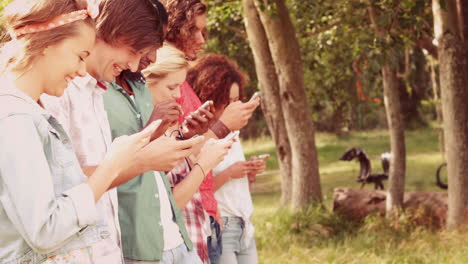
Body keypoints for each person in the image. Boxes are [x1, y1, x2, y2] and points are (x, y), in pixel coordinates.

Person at [41, 0, 204, 263]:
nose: (134, 65)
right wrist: (141, 161)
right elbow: (56, 187)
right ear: (112, 32)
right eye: (134, 51)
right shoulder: (57, 89)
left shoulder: (97, 90)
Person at [0, 0, 158, 263]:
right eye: (81, 56)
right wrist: (112, 166)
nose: (82, 70)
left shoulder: (28, 113)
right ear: (48, 43)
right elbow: (45, 230)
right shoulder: (15, 118)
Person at [162, 1, 260, 262]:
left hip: (205, 220)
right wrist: (222, 126)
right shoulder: (167, 85)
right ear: (171, 29)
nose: (201, 39)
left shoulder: (184, 86)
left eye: (203, 31)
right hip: (186, 227)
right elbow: (176, 158)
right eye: (192, 30)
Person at [142, 44, 227, 263]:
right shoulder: (140, 132)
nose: (179, 95)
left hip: (190, 240)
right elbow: (171, 203)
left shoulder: (168, 124)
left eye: (180, 86)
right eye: (171, 87)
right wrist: (204, 165)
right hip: (168, 248)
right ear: (146, 81)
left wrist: (186, 135)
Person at [188, 54, 266, 264]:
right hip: (223, 224)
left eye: (236, 99)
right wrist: (229, 174)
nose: (233, 106)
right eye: (227, 101)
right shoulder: (200, 138)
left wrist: (248, 172)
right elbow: (195, 189)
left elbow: (238, 187)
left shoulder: (234, 133)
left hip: (244, 224)